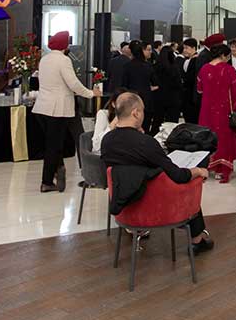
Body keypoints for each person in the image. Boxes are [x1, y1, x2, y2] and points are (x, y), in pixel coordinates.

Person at [100, 92, 213, 253]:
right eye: (143, 111)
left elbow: (129, 167)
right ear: (136, 113)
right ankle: (197, 239)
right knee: (190, 182)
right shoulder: (146, 143)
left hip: (125, 206)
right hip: (155, 206)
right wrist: (199, 171)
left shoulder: (107, 141)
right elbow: (179, 176)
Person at [34, 30, 102, 192]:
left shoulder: (44, 59)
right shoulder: (64, 60)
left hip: (42, 107)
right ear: (65, 45)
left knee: (52, 144)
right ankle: (47, 181)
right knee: (55, 146)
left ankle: (58, 169)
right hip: (58, 109)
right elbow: (73, 84)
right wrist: (91, 93)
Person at [196, 44, 236, 183]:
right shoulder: (228, 69)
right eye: (228, 56)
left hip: (207, 109)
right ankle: (222, 169)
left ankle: (208, 165)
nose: (228, 59)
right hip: (224, 110)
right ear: (223, 55)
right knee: (223, 136)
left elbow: (199, 89)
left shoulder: (204, 69)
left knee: (207, 136)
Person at [121, 40, 158, 132]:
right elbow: (155, 82)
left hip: (131, 99)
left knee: (131, 125)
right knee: (145, 125)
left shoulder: (127, 66)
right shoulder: (148, 66)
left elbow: (124, 84)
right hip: (146, 99)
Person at [153, 43, 183, 126]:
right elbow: (178, 84)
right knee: (172, 123)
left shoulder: (155, 67)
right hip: (173, 98)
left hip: (159, 97)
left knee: (157, 121)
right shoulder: (174, 68)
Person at [180, 38, 201, 123]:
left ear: (193, 48)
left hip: (191, 97)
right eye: (184, 48)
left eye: (186, 48)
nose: (184, 50)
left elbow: (190, 79)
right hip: (190, 96)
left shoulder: (195, 60)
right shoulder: (189, 59)